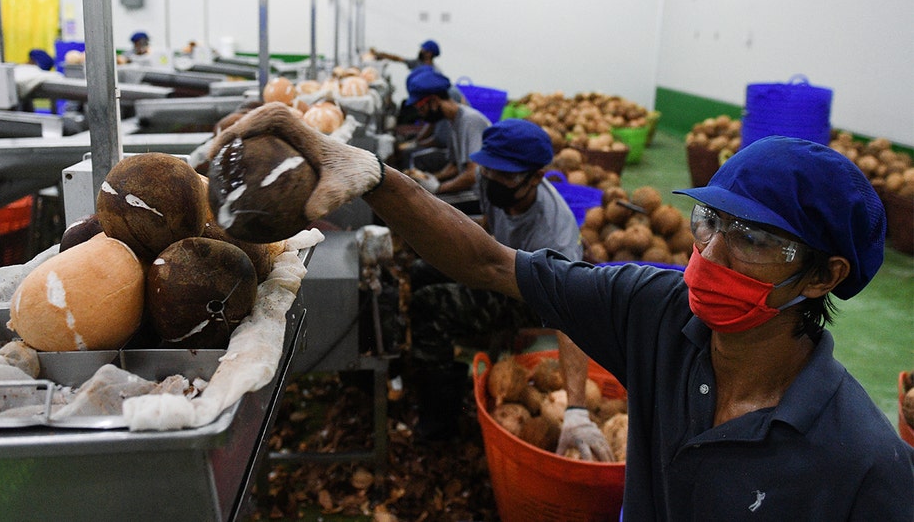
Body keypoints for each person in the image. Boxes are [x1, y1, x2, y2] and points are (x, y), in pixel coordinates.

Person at [206, 108, 914, 519]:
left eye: (755, 240)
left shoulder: (862, 463)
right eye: (710, 221)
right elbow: (489, 264)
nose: (713, 253)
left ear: (824, 275)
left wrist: (572, 403)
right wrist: (375, 176)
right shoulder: (657, 312)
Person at [408, 119, 608, 457]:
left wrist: (576, 409)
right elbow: (489, 225)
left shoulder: (554, 236)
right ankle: (431, 373)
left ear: (537, 176)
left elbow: (568, 316)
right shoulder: (491, 183)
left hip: (530, 292)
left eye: (508, 175)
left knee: (432, 305)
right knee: (421, 270)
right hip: (500, 262)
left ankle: (439, 426)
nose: (495, 180)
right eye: (491, 170)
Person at [403, 68, 490, 195]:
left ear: (434, 101)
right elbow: (455, 166)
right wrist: (431, 178)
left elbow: (473, 174)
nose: (420, 113)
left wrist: (438, 189)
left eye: (420, 108)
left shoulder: (469, 121)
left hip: (479, 195)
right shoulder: (453, 121)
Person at [370, 39, 441, 72]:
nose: (421, 51)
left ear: (429, 53)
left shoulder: (435, 71)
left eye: (423, 49)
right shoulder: (416, 63)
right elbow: (398, 59)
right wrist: (382, 55)